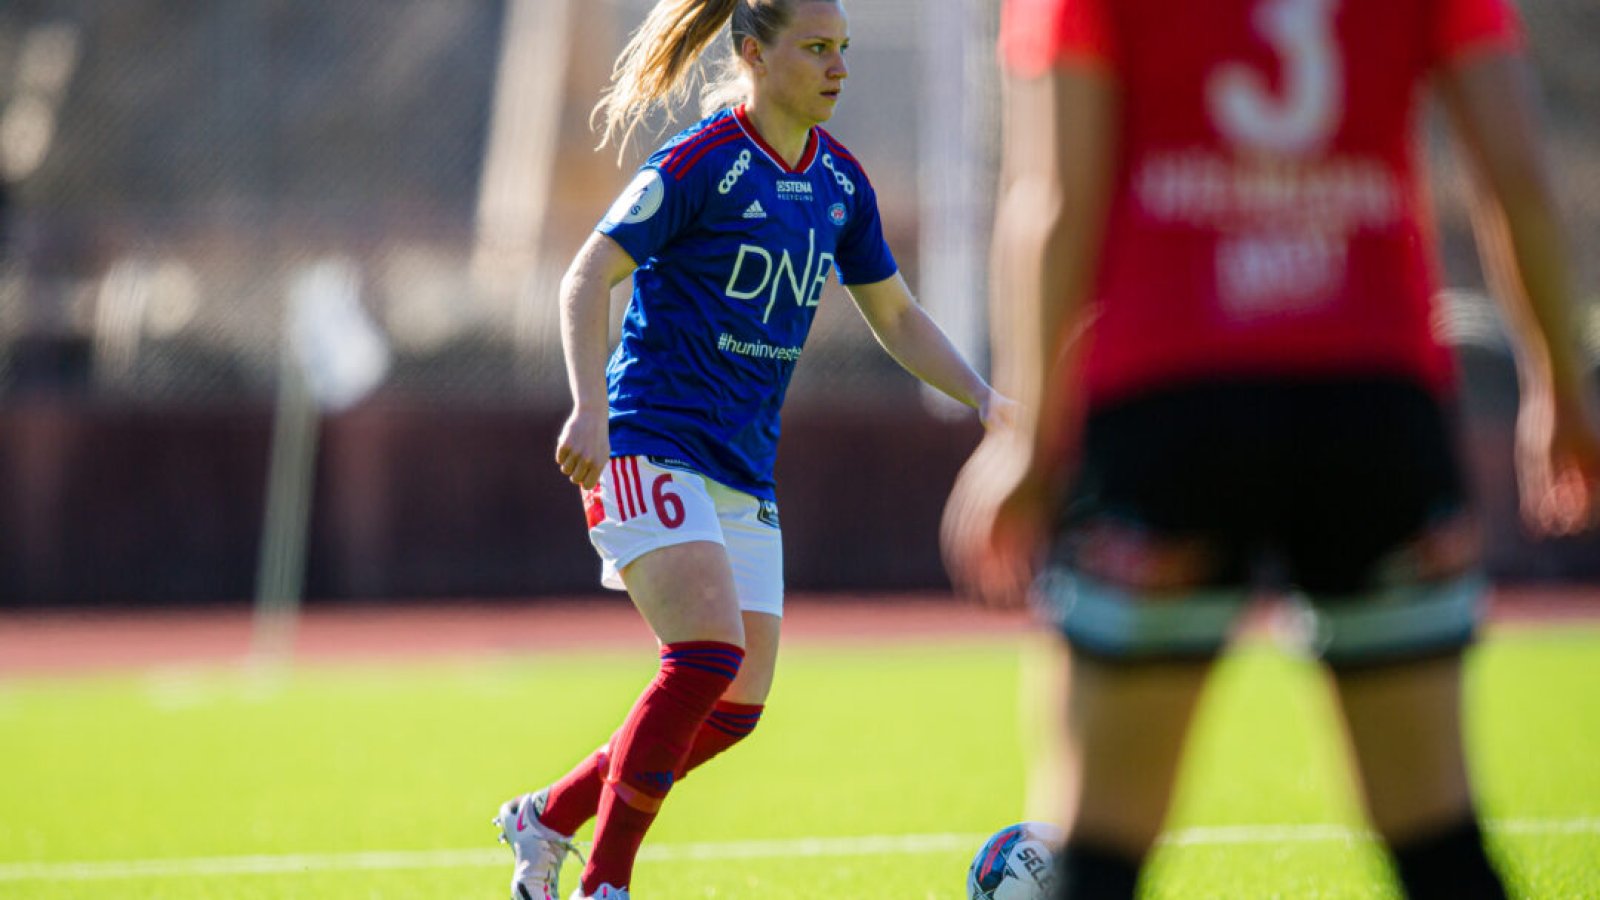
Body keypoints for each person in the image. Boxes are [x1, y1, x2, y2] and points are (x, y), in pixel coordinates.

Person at [942, 0, 1600, 897]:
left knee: (1096, 855)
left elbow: (1055, 200)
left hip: (1173, 409)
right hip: (1371, 407)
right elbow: (1516, 175)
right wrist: (1558, 386)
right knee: (1440, 844)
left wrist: (1027, 439)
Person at [493, 1, 1009, 898]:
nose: (838, 68)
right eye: (816, 50)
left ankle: (545, 819)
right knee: (702, 657)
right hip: (648, 443)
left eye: (842, 50)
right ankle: (603, 885)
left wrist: (988, 399)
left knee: (736, 707)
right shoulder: (701, 163)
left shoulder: (842, 184)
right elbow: (586, 276)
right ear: (752, 54)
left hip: (739, 465)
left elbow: (895, 314)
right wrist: (588, 410)